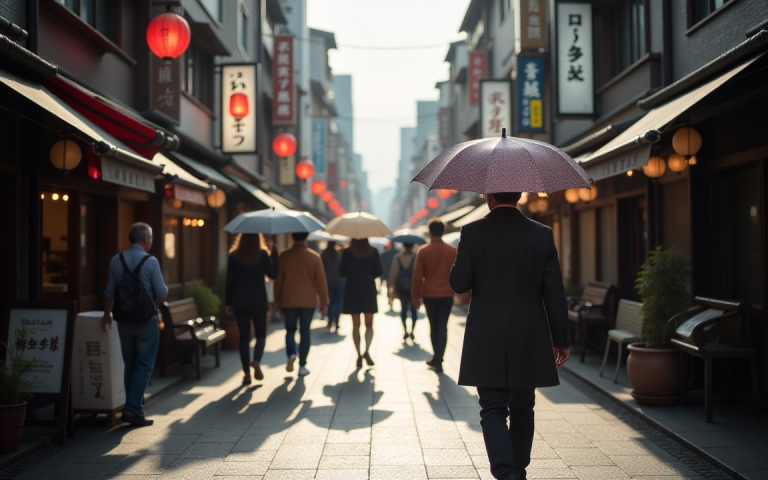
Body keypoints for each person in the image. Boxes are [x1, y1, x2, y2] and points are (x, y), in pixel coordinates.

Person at [449, 192, 570, 480]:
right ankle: (520, 470)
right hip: (529, 332)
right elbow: (554, 290)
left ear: (489, 196)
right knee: (523, 407)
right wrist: (561, 338)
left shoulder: (472, 231)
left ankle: (506, 475)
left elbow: (458, 284)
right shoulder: (542, 234)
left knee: (491, 407)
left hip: (486, 333)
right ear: (518, 196)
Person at [101, 222, 168, 427]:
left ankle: (131, 407)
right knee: (144, 365)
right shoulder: (150, 261)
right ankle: (133, 409)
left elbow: (110, 291)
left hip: (123, 320)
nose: (151, 243)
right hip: (146, 320)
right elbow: (162, 292)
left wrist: (106, 314)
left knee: (129, 364)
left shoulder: (116, 260)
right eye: (151, 239)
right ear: (145, 239)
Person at [225, 233, 279, 386]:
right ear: (258, 240)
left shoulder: (234, 256)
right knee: (261, 335)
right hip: (258, 301)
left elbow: (229, 280)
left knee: (244, 338)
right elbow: (273, 274)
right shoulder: (261, 254)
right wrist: (274, 255)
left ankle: (246, 374)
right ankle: (256, 361)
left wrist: (228, 302)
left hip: (239, 300)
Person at [274, 232, 330, 377]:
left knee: (290, 330)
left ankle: (292, 353)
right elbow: (321, 282)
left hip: (288, 298)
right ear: (306, 237)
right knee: (305, 331)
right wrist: (324, 302)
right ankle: (302, 365)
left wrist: (276, 299)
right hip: (308, 300)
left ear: (292, 237)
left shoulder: (284, 256)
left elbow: (278, 280)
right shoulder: (314, 257)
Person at [412, 219, 457, 373]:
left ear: (430, 232)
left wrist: (415, 297)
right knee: (443, 327)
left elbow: (417, 276)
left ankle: (436, 357)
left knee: (433, 326)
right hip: (447, 294)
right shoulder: (452, 250)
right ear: (443, 231)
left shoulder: (423, 251)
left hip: (430, 294)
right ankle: (439, 360)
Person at [339, 238, 383, 367]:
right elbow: (379, 271)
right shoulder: (373, 251)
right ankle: (367, 350)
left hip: (352, 290)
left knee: (356, 325)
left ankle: (358, 355)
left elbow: (342, 272)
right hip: (368, 290)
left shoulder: (347, 252)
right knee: (369, 325)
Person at [388, 243, 418, 340]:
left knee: (403, 310)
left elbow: (393, 274)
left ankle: (405, 330)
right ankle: (412, 331)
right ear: (412, 246)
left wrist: (390, 289)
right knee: (414, 310)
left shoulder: (397, 258)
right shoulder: (416, 257)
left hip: (401, 289)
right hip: (414, 288)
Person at [321, 241, 345, 333]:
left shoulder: (324, 254)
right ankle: (337, 321)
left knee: (330, 302)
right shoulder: (339, 254)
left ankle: (330, 320)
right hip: (339, 281)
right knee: (338, 302)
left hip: (328, 281)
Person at [380, 242, 399, 310]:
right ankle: (392, 300)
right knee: (397, 288)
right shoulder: (398, 253)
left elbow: (381, 264)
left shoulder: (385, 254)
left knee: (389, 288)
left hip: (387, 273)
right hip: (398, 274)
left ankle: (390, 301)